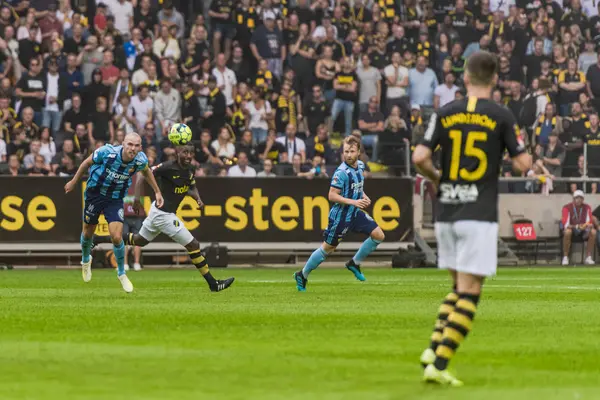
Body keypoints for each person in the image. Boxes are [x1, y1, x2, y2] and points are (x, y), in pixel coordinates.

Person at [412, 51, 532, 386]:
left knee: (457, 288)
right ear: (495, 80)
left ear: (464, 78)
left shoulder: (444, 112)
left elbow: (420, 157)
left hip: (447, 211)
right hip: (478, 213)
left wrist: (439, 180)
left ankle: (432, 348)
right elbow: (523, 165)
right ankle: (439, 361)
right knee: (471, 291)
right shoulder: (501, 115)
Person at [101, 143, 235, 292]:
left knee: (140, 240)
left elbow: (190, 187)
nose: (188, 156)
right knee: (193, 245)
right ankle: (213, 284)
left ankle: (97, 239)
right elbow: (141, 174)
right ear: (177, 153)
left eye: (191, 153)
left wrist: (197, 198)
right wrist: (137, 199)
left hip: (159, 212)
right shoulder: (167, 167)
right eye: (185, 152)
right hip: (163, 214)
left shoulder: (190, 169)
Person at [64, 133, 164, 293]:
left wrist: (157, 192)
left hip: (115, 198)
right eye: (130, 144)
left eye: (136, 145)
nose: (132, 148)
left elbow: (146, 172)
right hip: (94, 194)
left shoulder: (140, 160)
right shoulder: (106, 152)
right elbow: (85, 163)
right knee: (88, 232)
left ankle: (121, 273)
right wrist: (74, 181)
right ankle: (85, 259)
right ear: (123, 143)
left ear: (140, 147)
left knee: (117, 236)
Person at [293, 136, 386, 292]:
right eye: (346, 151)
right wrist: (354, 202)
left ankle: (354, 263)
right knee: (328, 249)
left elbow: (356, 186)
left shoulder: (361, 166)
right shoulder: (341, 172)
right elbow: (332, 195)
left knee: (379, 235)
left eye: (352, 151)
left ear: (359, 152)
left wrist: (363, 196)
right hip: (341, 216)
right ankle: (302, 274)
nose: (348, 155)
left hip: (354, 213)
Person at [561, 190, 596, 266]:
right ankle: (565, 257)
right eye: (577, 198)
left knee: (593, 232)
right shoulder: (567, 207)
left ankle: (588, 257)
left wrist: (588, 225)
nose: (579, 200)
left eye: (581, 198)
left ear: (583, 199)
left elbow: (589, 222)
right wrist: (576, 226)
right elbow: (566, 224)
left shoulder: (587, 207)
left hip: (583, 230)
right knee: (567, 232)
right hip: (572, 229)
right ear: (573, 199)